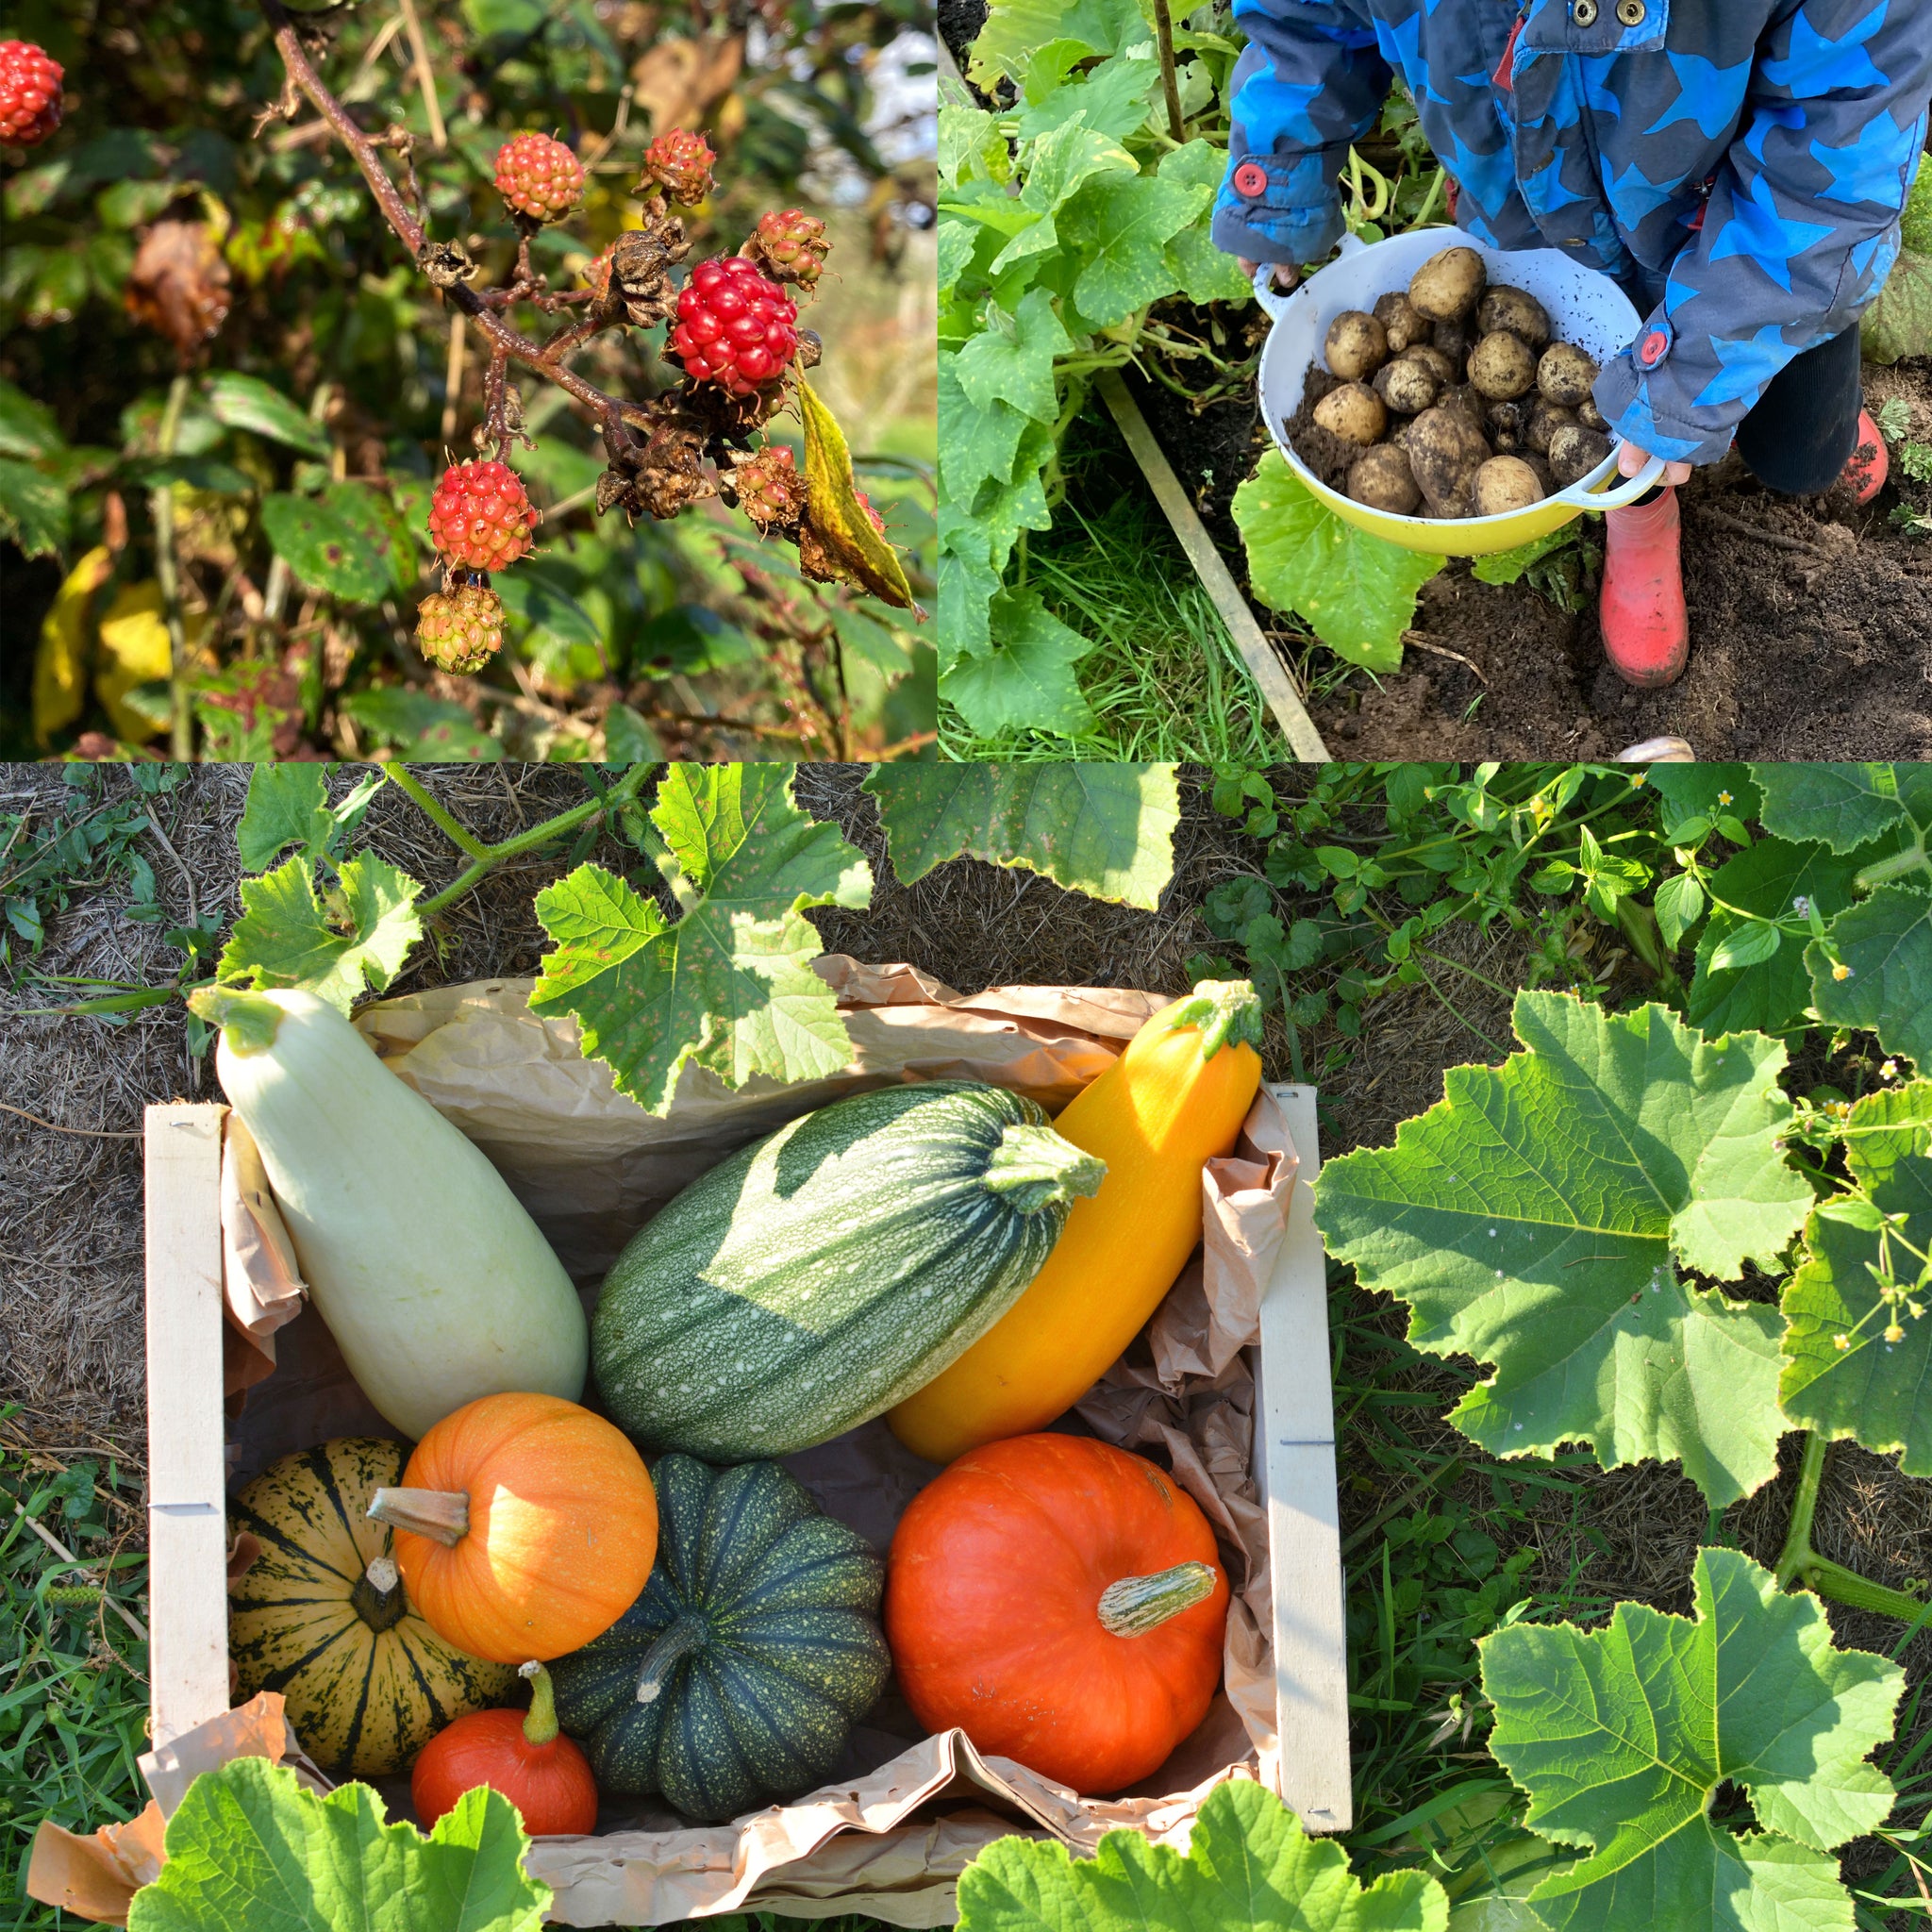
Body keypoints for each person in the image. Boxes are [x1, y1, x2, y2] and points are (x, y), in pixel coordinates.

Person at [1214, 1, 1932, 687]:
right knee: (1620, 432)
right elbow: (1305, 16)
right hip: (1531, 221)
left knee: (1803, 442)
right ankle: (1639, 509)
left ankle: (1807, 427)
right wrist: (1279, 170)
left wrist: (1696, 377)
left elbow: (1837, 166)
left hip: (1746, 239)